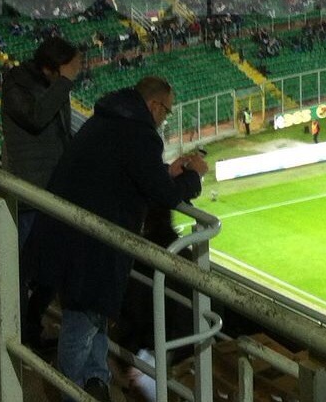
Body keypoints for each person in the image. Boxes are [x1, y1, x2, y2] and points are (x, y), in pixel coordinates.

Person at [26, 76, 207, 401]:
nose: (165, 118)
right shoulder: (139, 133)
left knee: (93, 314)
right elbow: (164, 196)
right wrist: (193, 177)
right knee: (81, 321)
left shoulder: (109, 119)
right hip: (89, 243)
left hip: (69, 231)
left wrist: (165, 173)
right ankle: (72, 392)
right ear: (154, 105)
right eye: (166, 111)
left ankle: (95, 380)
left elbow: (129, 172)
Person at [2, 36, 83, 349]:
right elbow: (36, 118)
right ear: (52, 67)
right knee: (24, 270)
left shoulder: (52, 86)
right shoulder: (16, 86)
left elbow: (61, 132)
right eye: (67, 69)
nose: (73, 75)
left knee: (55, 267)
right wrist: (63, 83)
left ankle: (31, 326)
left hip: (54, 190)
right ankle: (20, 334)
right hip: (29, 194)